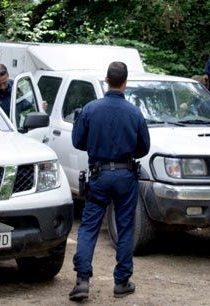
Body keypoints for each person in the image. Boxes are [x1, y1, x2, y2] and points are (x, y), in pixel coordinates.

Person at [69, 62, 151, 301]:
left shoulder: (90, 109)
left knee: (89, 227)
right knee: (125, 227)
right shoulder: (134, 112)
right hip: (125, 175)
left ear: (107, 80)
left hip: (99, 174)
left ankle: (82, 280)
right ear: (125, 83)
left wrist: (96, 144)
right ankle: (122, 282)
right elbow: (143, 147)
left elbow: (77, 141)